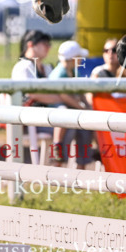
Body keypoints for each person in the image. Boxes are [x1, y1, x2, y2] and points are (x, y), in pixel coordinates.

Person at [10, 30, 89, 166]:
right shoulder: (23, 67)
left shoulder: (46, 68)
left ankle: (69, 164)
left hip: (48, 115)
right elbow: (32, 94)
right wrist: (61, 98)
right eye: (45, 44)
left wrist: (60, 98)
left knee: (75, 123)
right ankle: (56, 163)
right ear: (31, 45)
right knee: (69, 123)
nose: (48, 47)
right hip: (30, 117)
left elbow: (54, 92)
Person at [49, 40, 95, 170]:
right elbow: (64, 96)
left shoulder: (74, 71)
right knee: (67, 120)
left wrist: (87, 107)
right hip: (57, 111)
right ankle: (58, 155)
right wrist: (83, 108)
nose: (81, 59)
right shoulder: (59, 73)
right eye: (79, 56)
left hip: (70, 111)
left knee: (84, 128)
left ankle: (82, 164)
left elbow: (80, 92)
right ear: (73, 58)